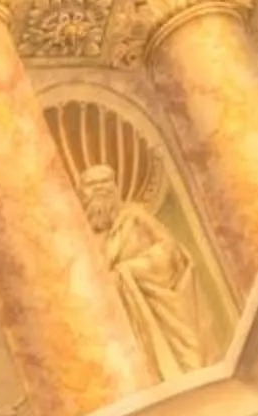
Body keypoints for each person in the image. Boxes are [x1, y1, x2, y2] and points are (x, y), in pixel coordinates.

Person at [78, 163, 209, 381]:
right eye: (93, 184)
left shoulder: (134, 216)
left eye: (105, 182)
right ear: (82, 192)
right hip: (119, 322)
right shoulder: (82, 237)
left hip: (160, 305)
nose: (101, 188)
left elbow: (171, 251)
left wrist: (130, 271)